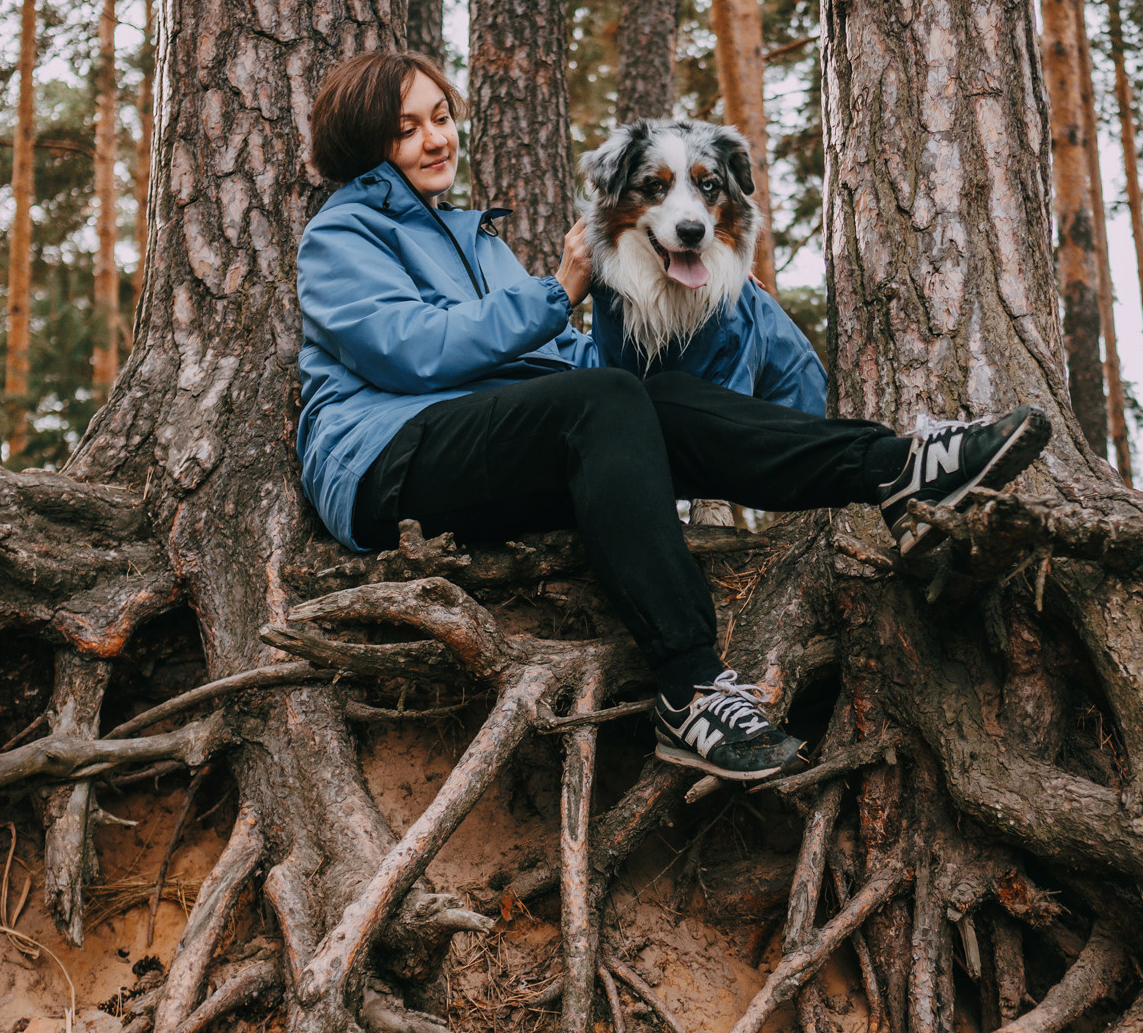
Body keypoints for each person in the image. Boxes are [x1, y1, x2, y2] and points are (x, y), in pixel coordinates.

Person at [296, 50, 1050, 781]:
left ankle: (900, 470)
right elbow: (407, 349)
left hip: (486, 454)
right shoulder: (342, 233)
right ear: (367, 144)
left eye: (442, 116)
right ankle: (691, 688)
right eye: (406, 128)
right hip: (384, 463)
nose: (435, 138)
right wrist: (558, 289)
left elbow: (567, 373)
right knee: (615, 399)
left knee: (648, 398)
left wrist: (651, 318)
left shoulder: (475, 241)